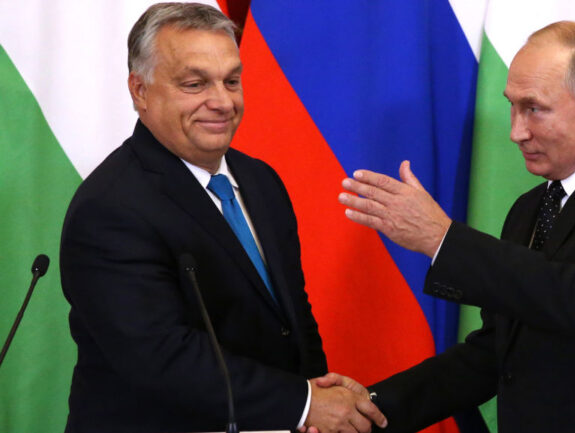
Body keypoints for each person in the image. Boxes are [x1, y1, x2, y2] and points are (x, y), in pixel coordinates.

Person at [331, 20, 575, 433]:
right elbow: (497, 353)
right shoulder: (530, 208)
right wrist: (368, 408)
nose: (516, 132)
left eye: (534, 108)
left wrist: (443, 239)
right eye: (512, 106)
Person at [60, 3, 384, 433]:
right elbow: (162, 358)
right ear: (140, 90)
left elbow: (292, 318)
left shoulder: (260, 179)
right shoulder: (110, 208)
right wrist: (306, 405)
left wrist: (317, 398)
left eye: (232, 81)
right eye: (195, 84)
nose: (223, 102)